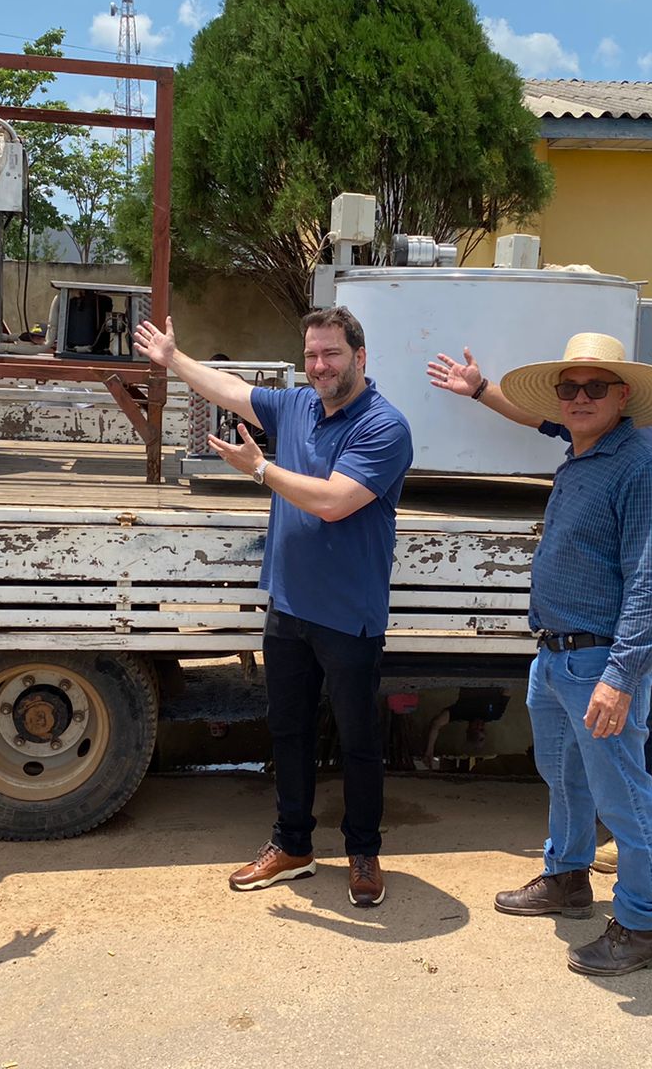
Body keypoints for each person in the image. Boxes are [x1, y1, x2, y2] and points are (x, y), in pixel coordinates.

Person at [428, 313, 652, 886]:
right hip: (640, 599)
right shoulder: (636, 424)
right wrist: (479, 390)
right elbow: (550, 416)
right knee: (632, 723)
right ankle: (628, 840)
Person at [133, 307, 412, 908]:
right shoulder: (297, 406)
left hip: (349, 614)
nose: (320, 366)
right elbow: (232, 391)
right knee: (287, 730)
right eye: (311, 354)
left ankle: (363, 850)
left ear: (360, 358)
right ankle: (292, 844)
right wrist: (174, 361)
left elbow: (335, 502)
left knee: (359, 738)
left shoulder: (384, 426)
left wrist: (260, 468)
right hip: (288, 606)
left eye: (331, 354)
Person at [483, 332, 652, 976]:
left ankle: (644, 923)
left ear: (623, 396)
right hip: (558, 654)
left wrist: (621, 676)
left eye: (596, 387)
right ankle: (568, 876)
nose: (580, 398)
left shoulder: (640, 464)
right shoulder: (581, 455)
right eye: (569, 388)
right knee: (564, 776)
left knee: (623, 792)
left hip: (599, 662)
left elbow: (650, 578)